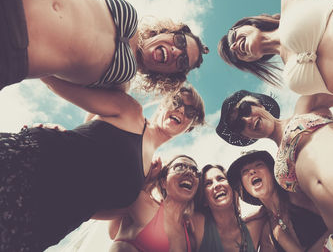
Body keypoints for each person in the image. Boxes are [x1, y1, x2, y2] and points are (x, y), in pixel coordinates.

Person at [0, 78, 205, 252]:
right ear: (163, 103)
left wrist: (147, 184)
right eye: (177, 101)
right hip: (25, 171)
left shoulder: (148, 172)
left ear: (190, 127)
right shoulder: (130, 111)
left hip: (44, 224)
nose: (181, 110)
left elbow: (94, 209)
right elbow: (60, 84)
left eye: (191, 112)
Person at [216, 90, 333, 251]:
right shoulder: (280, 174)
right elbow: (291, 205)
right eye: (239, 125)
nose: (247, 120)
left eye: (246, 109)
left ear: (259, 103)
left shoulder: (304, 106)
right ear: (245, 135)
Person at [1, 0, 208, 93]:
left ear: (170, 76)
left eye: (182, 62)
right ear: (168, 32)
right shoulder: (132, 16)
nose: (177, 51)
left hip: (13, 53)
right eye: (180, 41)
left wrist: (37, 69)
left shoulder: (120, 87)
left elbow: (94, 123)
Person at [227, 150, 327, 252]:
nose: (252, 171)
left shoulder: (297, 194)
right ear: (244, 186)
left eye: (258, 165)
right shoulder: (268, 231)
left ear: (272, 171)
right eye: (245, 171)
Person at [109, 155, 200, 252]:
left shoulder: (191, 236)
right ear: (163, 182)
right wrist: (148, 178)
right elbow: (113, 232)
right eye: (180, 167)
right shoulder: (144, 206)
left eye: (195, 171)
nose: (190, 172)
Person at [191, 164, 264, 252]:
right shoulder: (197, 224)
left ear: (232, 188)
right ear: (204, 200)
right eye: (208, 183)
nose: (216, 185)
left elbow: (275, 208)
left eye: (221, 179)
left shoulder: (254, 227)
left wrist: (259, 212)